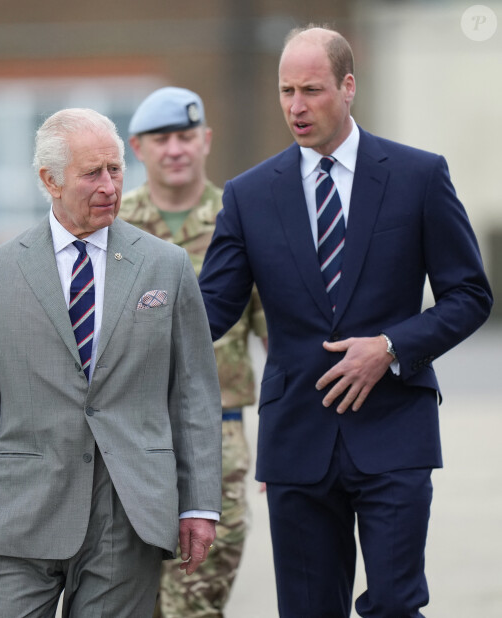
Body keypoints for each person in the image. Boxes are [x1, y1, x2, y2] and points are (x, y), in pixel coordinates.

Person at [198, 25, 493, 618]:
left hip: (394, 430)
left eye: (311, 89)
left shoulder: (419, 176)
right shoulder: (249, 195)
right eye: (286, 91)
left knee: (395, 606)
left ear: (349, 85)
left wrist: (389, 346)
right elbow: (209, 311)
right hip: (297, 439)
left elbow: (469, 295)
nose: (296, 107)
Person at [0, 107, 223, 618]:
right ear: (50, 180)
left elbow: (193, 394)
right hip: (17, 515)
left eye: (115, 169)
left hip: (127, 515)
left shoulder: (167, 266)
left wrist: (199, 504)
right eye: (93, 173)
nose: (110, 185)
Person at [121, 86, 268, 618]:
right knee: (128, 600)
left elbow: (281, 340)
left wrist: (286, 438)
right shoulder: (112, 224)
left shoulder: (244, 217)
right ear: (137, 148)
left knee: (198, 600)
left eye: (186, 136)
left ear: (206, 140)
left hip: (218, 438)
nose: (176, 149)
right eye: (161, 139)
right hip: (126, 438)